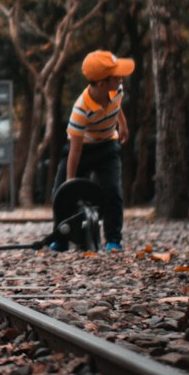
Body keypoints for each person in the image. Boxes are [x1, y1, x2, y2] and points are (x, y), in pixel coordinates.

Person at [52, 49, 132, 251]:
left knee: (112, 190)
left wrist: (122, 125)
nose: (121, 78)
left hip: (107, 147)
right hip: (83, 149)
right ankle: (61, 238)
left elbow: (117, 105)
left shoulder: (116, 90)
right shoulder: (80, 109)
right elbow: (75, 150)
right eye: (116, 75)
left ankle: (114, 239)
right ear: (102, 83)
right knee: (61, 192)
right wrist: (70, 183)